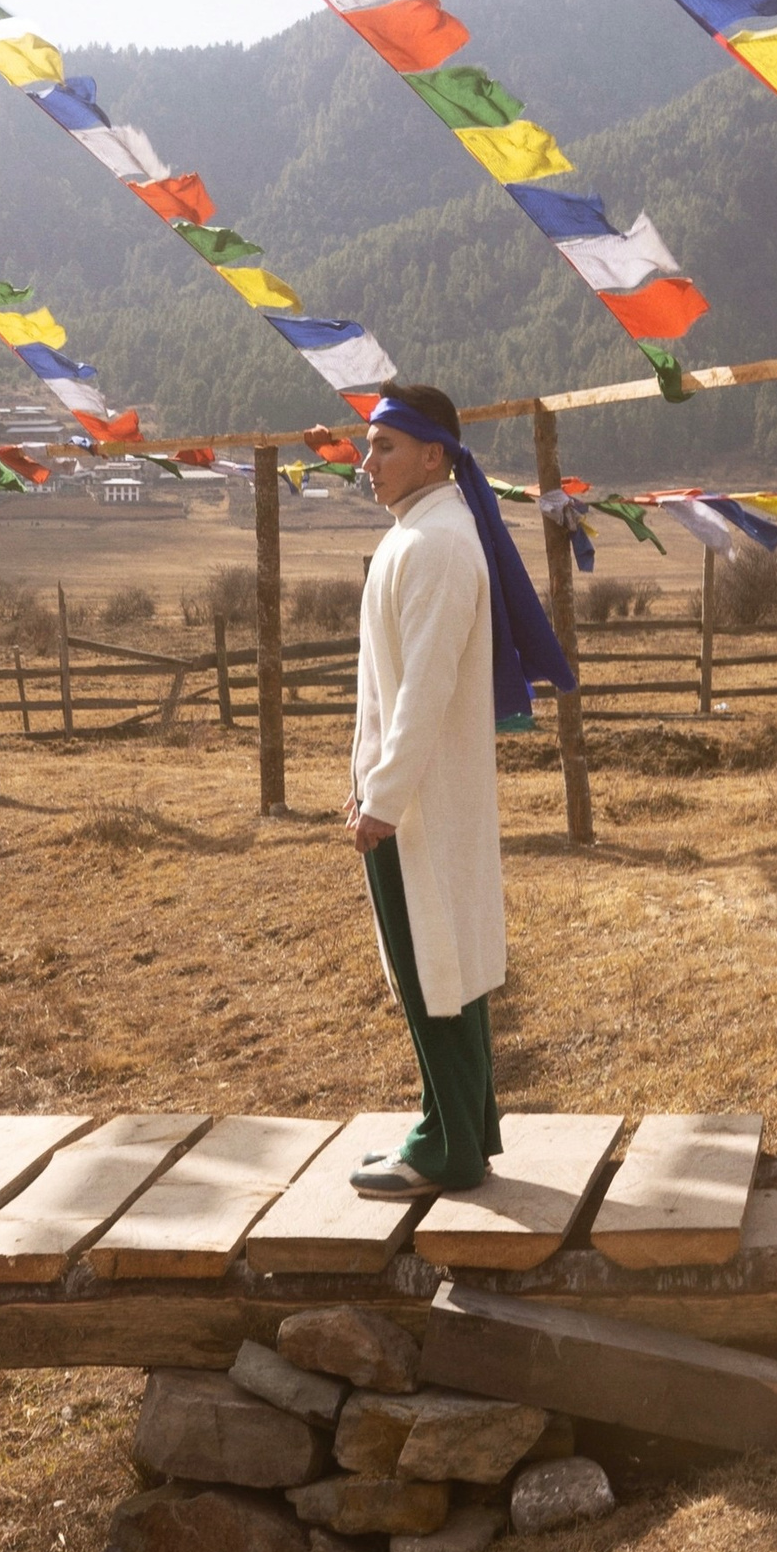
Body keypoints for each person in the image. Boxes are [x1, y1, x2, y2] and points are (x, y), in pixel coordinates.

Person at [343, 384, 575, 1199]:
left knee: (435, 967)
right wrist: (370, 781)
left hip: (419, 803)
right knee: (440, 967)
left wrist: (383, 797)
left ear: (434, 454)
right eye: (369, 447)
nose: (366, 462)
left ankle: (446, 1149)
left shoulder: (436, 545)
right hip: (410, 793)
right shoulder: (423, 533)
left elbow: (426, 689)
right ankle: (456, 1127)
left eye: (385, 447)